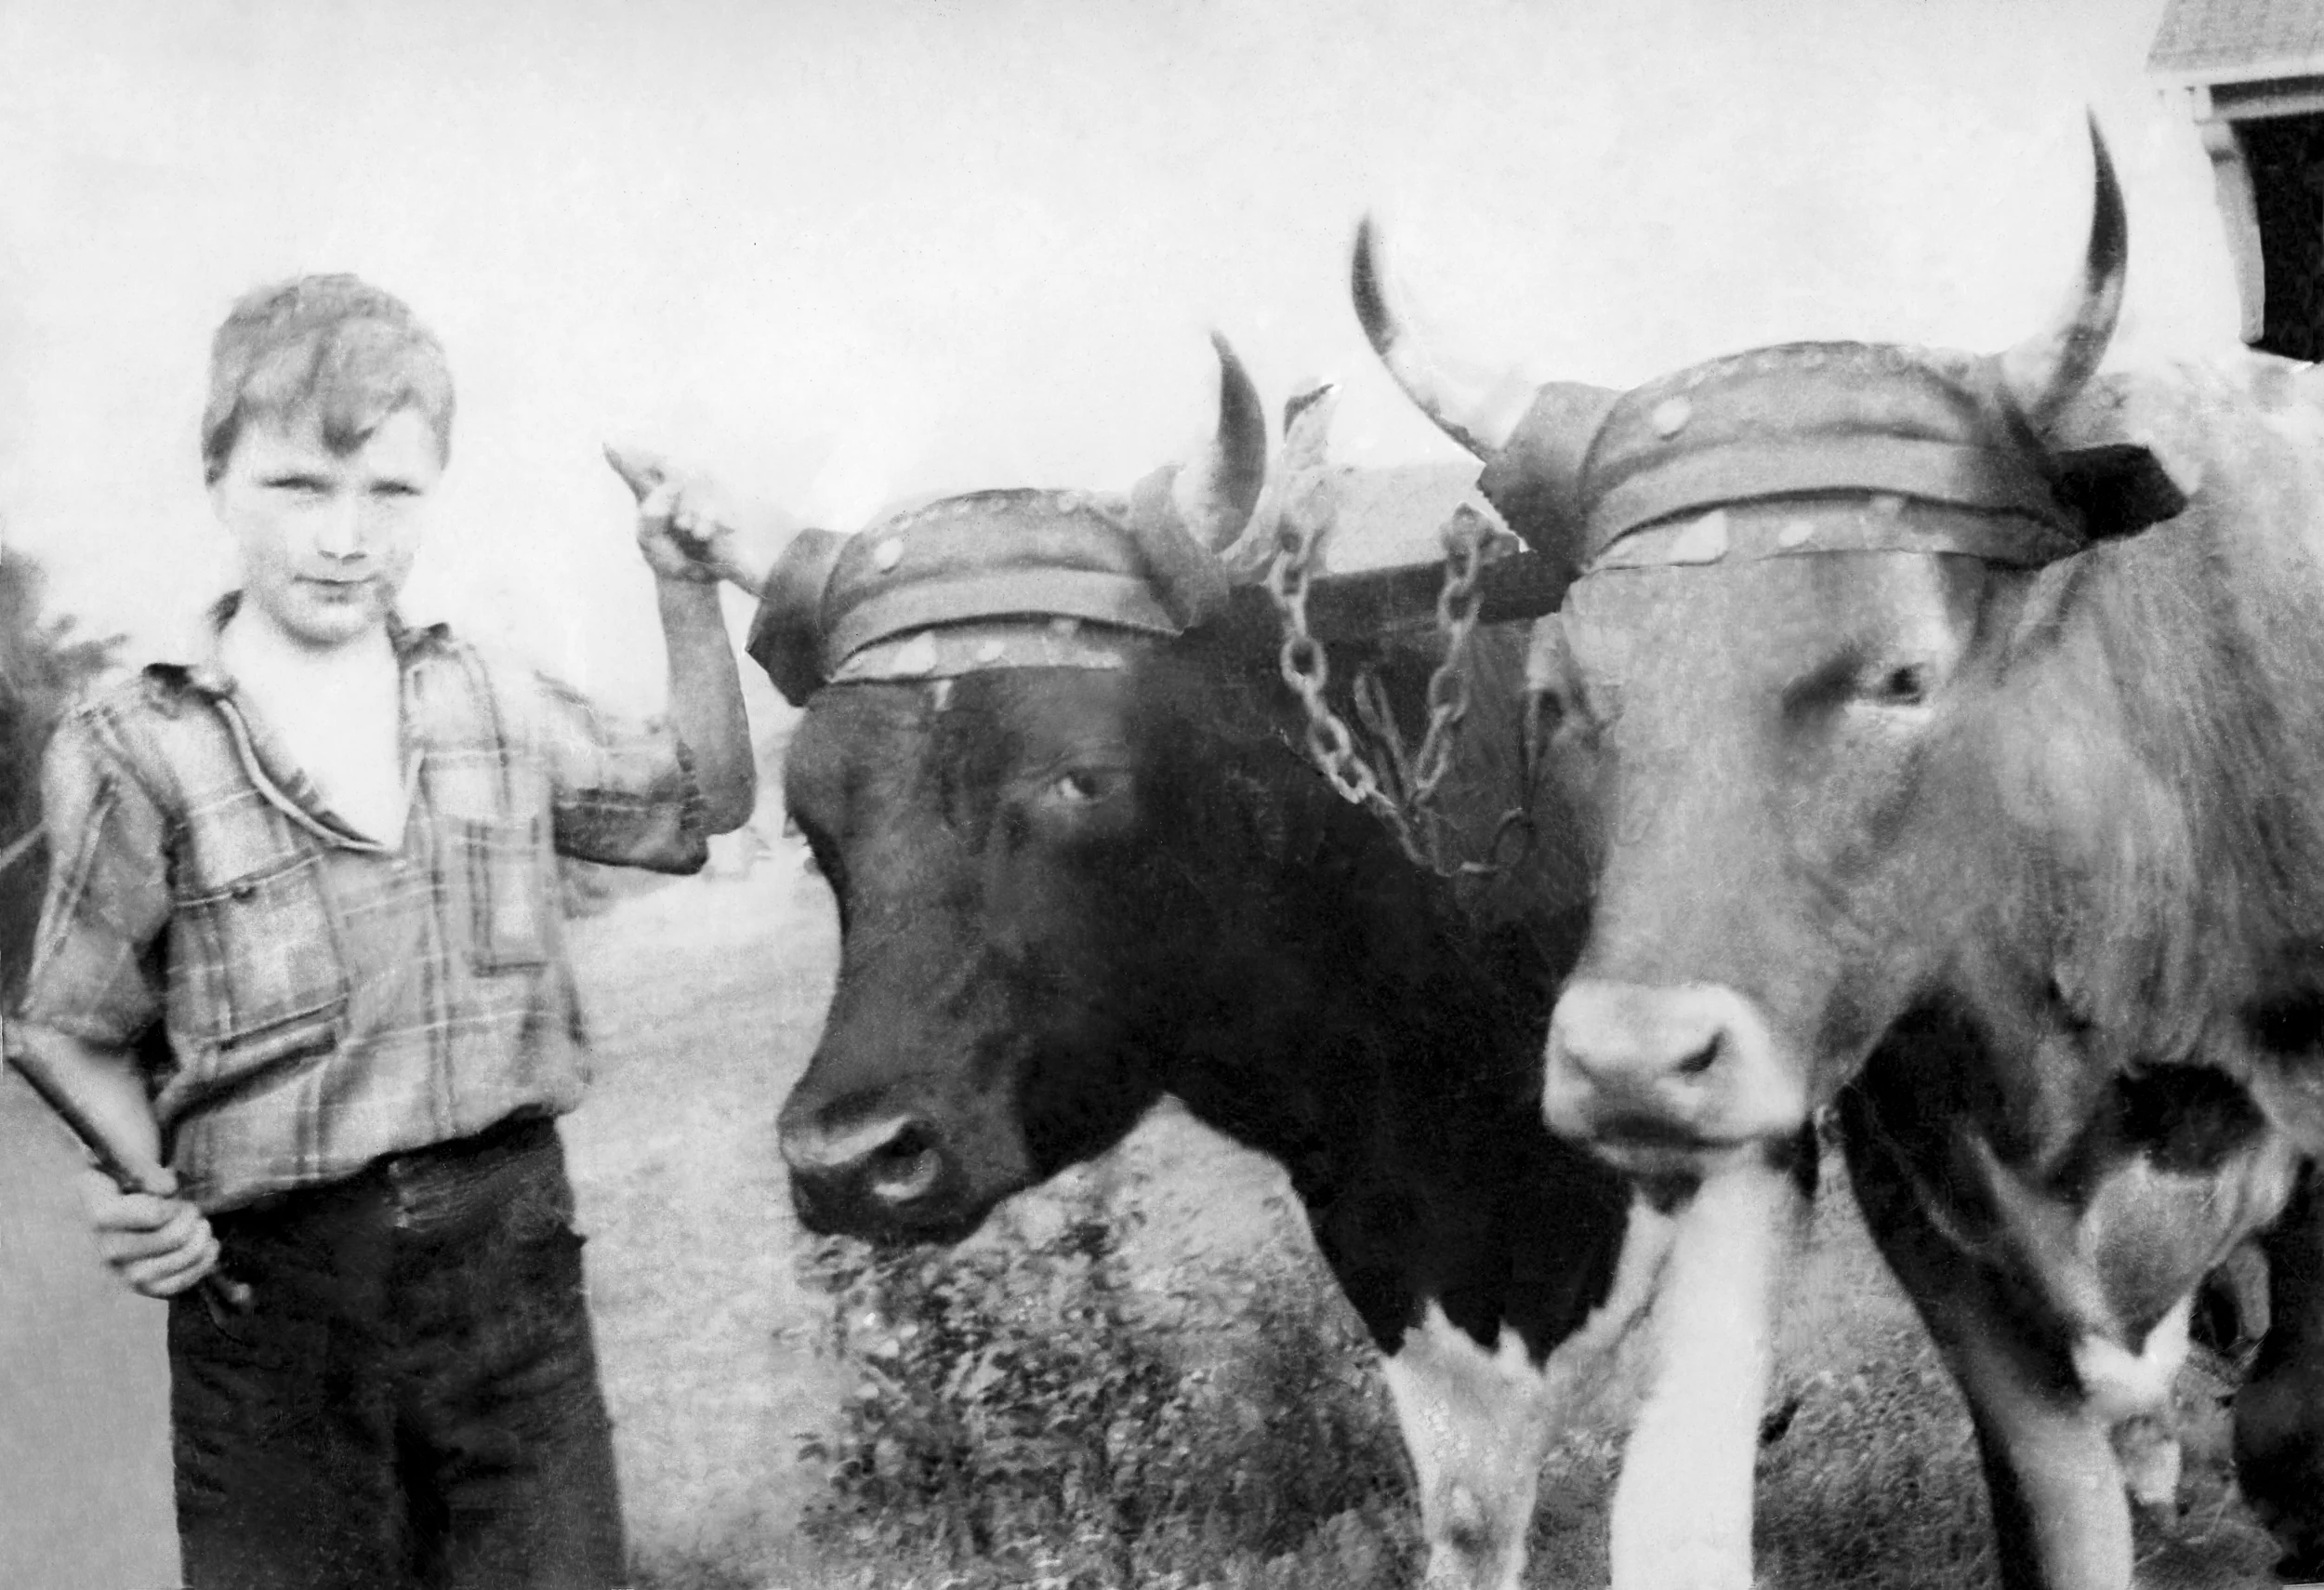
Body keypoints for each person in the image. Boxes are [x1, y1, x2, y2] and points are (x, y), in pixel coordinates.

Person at [7, 273, 757, 1590]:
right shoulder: (138, 743)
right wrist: (141, 1190)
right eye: (299, 486)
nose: (347, 537)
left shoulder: (490, 696)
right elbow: (72, 1028)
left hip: (515, 1295)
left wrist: (684, 595)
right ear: (218, 478)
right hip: (272, 1326)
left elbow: (702, 804)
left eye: (392, 492)